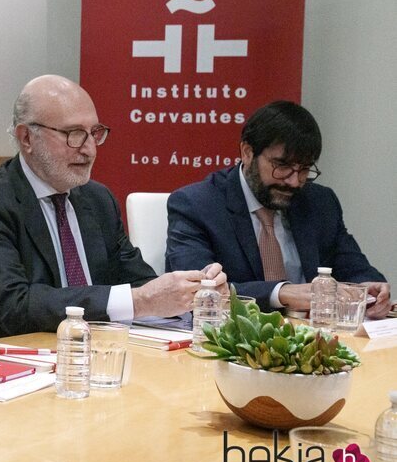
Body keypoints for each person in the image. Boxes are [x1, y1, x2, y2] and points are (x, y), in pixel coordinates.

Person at [0, 75, 226, 341]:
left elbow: (138, 281)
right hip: (17, 362)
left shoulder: (97, 199)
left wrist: (194, 293)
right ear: (26, 138)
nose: (90, 149)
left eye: (94, 133)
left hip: (100, 354)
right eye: (74, 134)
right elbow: (14, 306)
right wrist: (141, 300)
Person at [166, 100, 391, 316]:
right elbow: (197, 291)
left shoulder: (320, 202)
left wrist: (369, 287)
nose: (294, 182)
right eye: (282, 166)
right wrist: (281, 293)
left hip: (314, 338)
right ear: (247, 152)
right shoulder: (196, 205)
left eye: (303, 169)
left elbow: (352, 265)